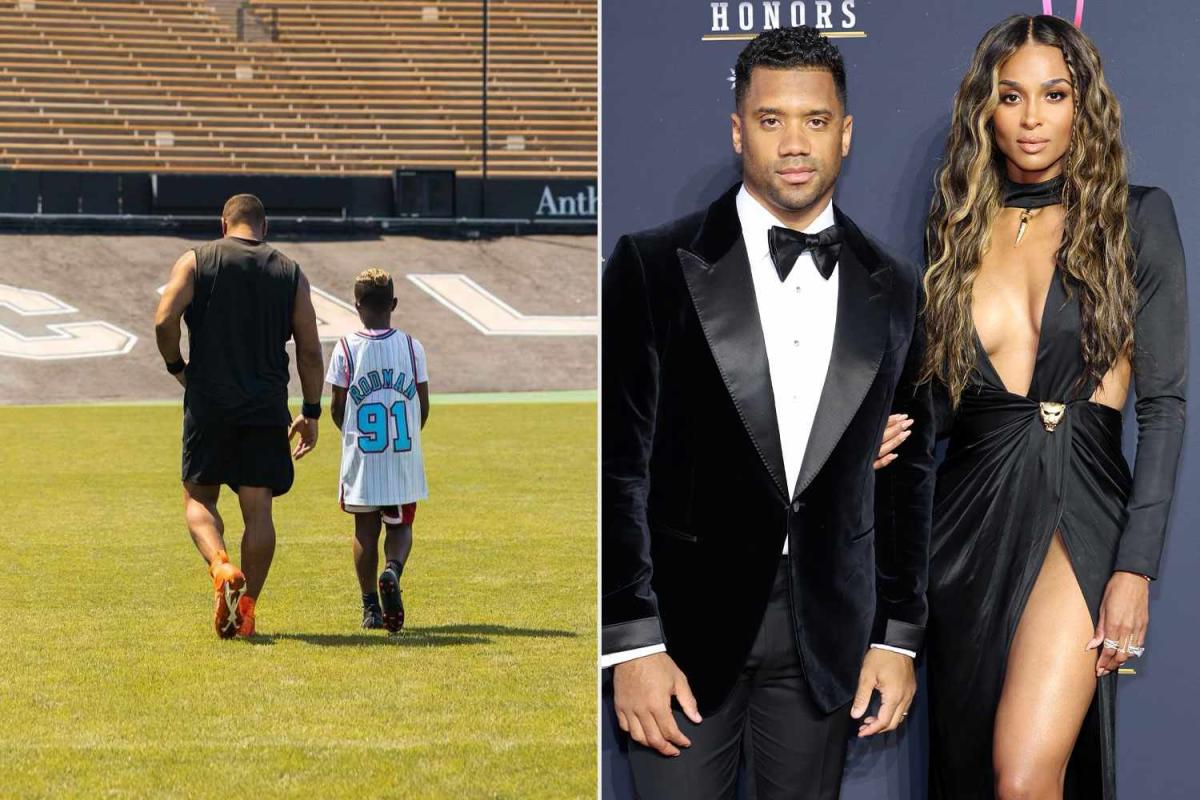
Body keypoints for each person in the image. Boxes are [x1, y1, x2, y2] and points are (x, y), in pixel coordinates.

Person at [601, 26, 936, 799]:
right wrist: (630, 643)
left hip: (826, 636)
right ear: (737, 129)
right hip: (681, 628)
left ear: (845, 133)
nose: (794, 142)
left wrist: (898, 636)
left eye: (815, 121)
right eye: (771, 119)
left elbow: (908, 477)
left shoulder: (896, 287)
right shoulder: (653, 266)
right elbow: (618, 466)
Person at [920, 15, 1187, 799]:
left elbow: (1164, 406)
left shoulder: (1137, 217)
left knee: (1025, 774)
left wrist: (1136, 567)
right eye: (1011, 96)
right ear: (985, 108)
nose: (1032, 117)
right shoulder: (956, 230)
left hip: (1081, 504)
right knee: (971, 769)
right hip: (966, 518)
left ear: (1083, 105)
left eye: (1054, 93)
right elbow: (934, 405)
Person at [154, 193, 325, 639]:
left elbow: (163, 319)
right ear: (263, 228)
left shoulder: (197, 260)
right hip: (266, 406)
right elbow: (308, 349)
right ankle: (245, 609)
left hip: (209, 402)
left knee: (198, 500)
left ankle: (220, 566)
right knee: (259, 512)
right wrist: (310, 411)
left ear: (223, 223)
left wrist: (178, 367)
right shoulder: (289, 272)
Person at [326, 268, 430, 633]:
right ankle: (393, 570)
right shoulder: (411, 346)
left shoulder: (345, 348)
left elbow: (337, 407)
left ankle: (370, 606)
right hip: (401, 453)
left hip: (364, 456)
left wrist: (352, 434)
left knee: (364, 529)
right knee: (401, 525)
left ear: (356, 305)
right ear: (394, 304)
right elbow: (423, 404)